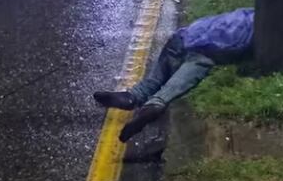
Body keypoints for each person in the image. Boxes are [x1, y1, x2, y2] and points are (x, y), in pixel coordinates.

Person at [93, 8, 254, 142]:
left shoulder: (243, 13)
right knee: (179, 82)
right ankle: (155, 104)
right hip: (207, 52)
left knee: (155, 79)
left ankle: (132, 96)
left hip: (183, 36)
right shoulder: (261, 30)